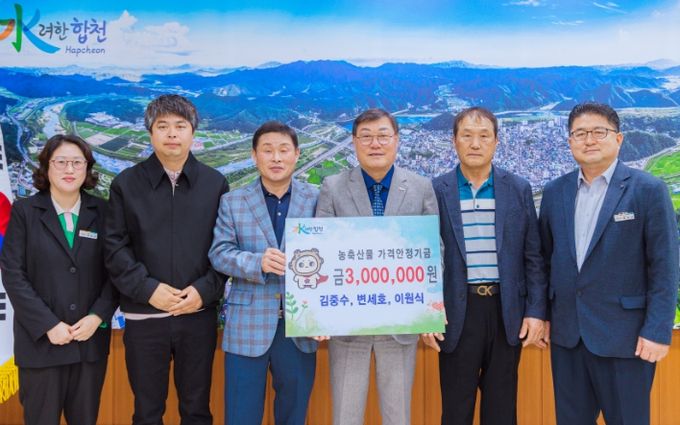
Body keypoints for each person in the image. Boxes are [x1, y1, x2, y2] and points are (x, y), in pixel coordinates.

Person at [539, 102, 679, 425]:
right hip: (569, 337)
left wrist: (658, 330)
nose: (589, 140)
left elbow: (665, 267)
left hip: (627, 339)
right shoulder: (555, 192)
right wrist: (544, 315)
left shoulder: (648, 190)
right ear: (570, 141)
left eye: (599, 132)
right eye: (580, 133)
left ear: (618, 139)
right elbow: (545, 260)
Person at [105, 94, 229, 424]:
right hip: (145, 316)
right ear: (150, 133)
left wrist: (204, 291)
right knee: (147, 412)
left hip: (197, 315)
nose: (172, 133)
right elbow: (115, 248)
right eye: (162, 126)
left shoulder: (215, 184)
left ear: (193, 133)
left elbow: (226, 247)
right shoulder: (125, 184)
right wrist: (148, 289)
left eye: (180, 125)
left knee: (197, 410)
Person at [423, 107, 547, 425]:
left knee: (502, 410)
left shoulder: (517, 188)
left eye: (483, 136)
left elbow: (533, 255)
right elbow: (424, 257)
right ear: (454, 141)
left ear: (496, 142)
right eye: (467, 135)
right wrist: (426, 314)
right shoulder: (436, 190)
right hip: (456, 311)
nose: (475, 143)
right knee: (456, 409)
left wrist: (535, 311)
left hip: (506, 310)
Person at [316, 108, 438, 425]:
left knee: (398, 416)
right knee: (345, 416)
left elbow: (433, 250)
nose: (375, 143)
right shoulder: (333, 186)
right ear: (354, 142)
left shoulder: (421, 187)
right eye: (366, 136)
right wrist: (317, 313)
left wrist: (431, 310)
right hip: (347, 325)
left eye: (383, 136)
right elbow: (322, 250)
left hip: (400, 323)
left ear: (396, 140)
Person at [0, 134, 117, 425]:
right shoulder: (24, 212)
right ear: (46, 167)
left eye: (77, 162)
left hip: (88, 343)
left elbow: (116, 272)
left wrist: (97, 317)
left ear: (87, 168)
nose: (69, 169)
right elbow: (13, 274)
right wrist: (48, 324)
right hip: (41, 345)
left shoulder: (103, 212)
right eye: (61, 162)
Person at [208, 121, 318, 425]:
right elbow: (219, 253)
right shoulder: (233, 201)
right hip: (248, 324)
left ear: (297, 154)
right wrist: (257, 263)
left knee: (294, 415)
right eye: (267, 150)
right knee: (241, 415)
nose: (276, 158)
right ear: (254, 156)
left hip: (300, 326)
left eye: (284, 150)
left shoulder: (317, 198)